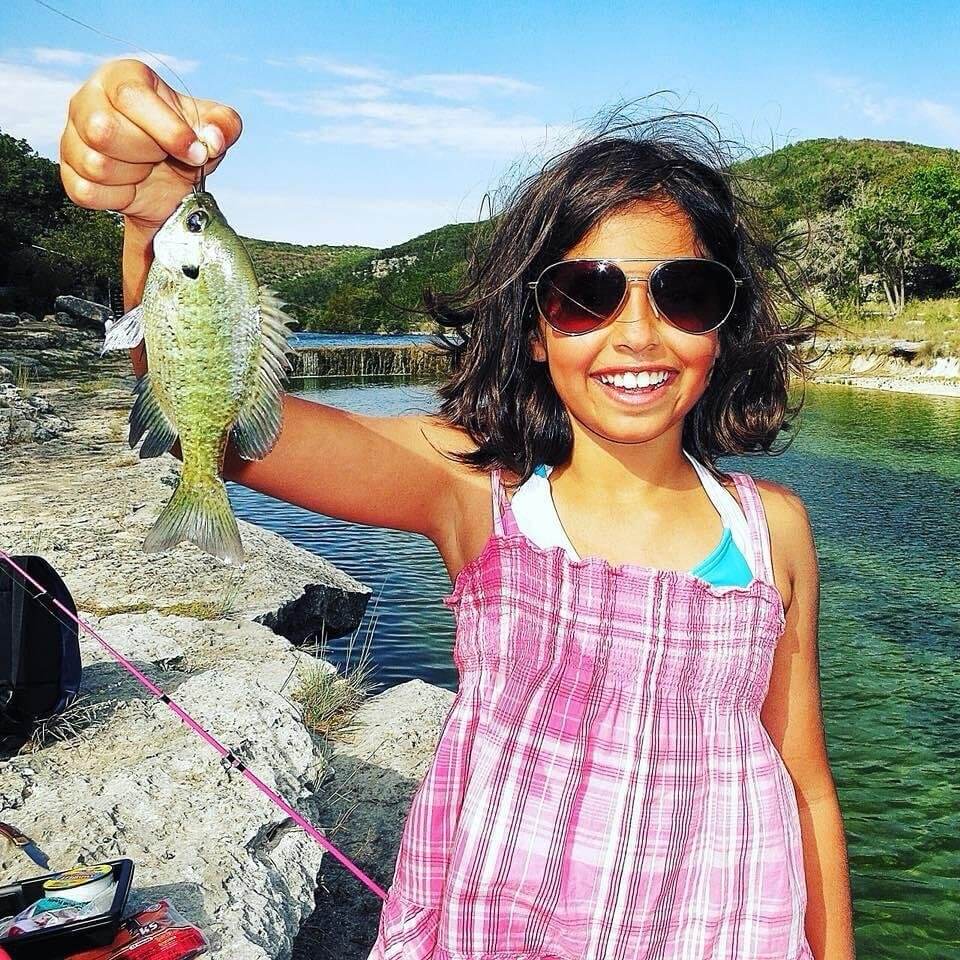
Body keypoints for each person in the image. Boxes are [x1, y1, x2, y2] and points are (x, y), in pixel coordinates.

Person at [61, 60, 856, 960]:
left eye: (685, 292)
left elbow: (808, 786)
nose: (637, 332)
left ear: (726, 322)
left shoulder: (772, 530)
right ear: (531, 324)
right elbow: (227, 430)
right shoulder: (477, 492)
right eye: (585, 293)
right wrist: (155, 215)